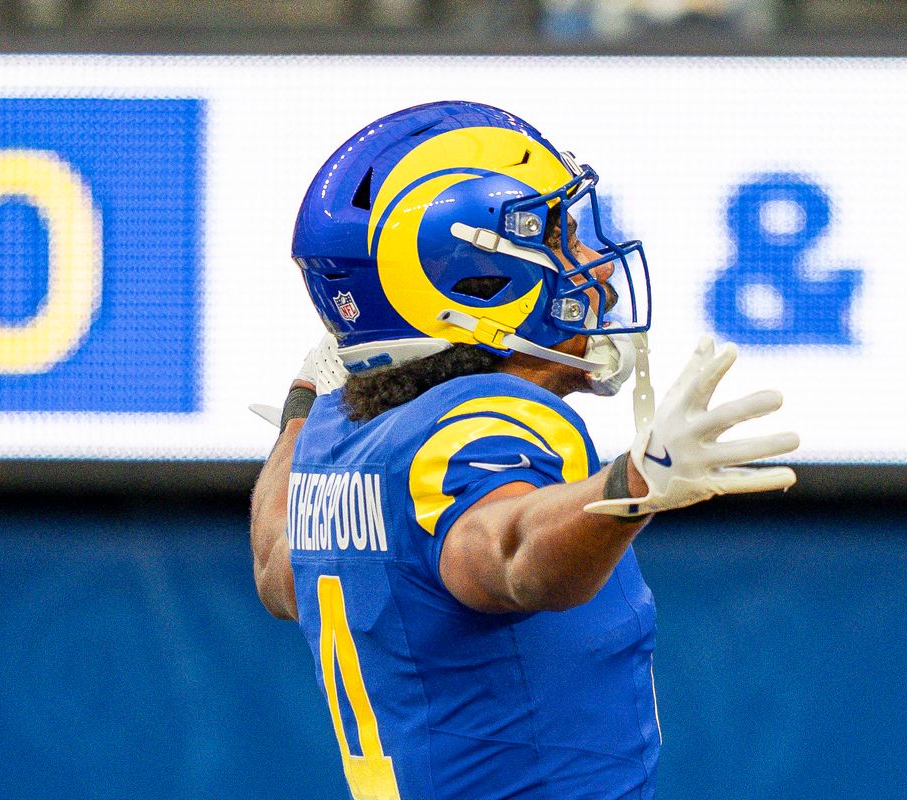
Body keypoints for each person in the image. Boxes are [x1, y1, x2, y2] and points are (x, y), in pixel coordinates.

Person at [250, 100, 798, 800]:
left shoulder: (333, 432)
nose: (593, 266)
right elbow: (513, 553)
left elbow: (275, 566)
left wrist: (301, 403)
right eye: (558, 239)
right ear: (471, 284)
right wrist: (631, 484)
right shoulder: (486, 415)